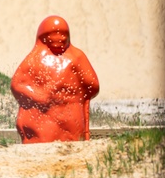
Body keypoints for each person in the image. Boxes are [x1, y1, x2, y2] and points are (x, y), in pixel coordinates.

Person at [11, 15, 100, 143]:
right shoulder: (34, 60)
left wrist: (72, 89)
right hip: (45, 118)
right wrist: (38, 96)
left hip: (72, 114)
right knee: (44, 141)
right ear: (44, 36)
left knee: (73, 144)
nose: (59, 39)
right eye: (53, 34)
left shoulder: (77, 57)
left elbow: (93, 85)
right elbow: (17, 85)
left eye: (63, 35)